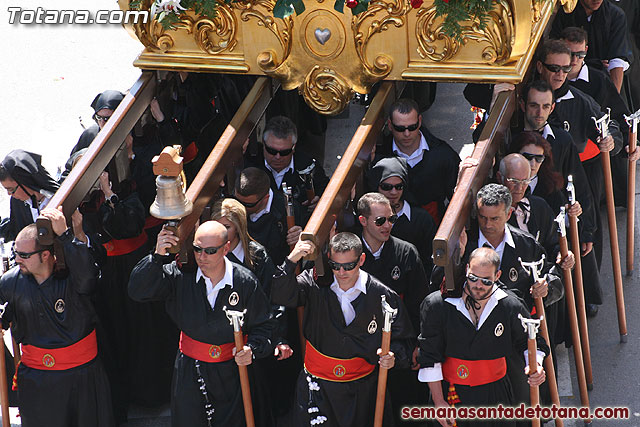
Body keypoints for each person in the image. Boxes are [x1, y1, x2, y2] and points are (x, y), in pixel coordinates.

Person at [129, 221, 273, 427]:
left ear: (226, 248)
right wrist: (157, 255)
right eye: (197, 249)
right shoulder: (179, 275)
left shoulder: (245, 281)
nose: (202, 257)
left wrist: (252, 349)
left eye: (210, 251)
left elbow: (265, 326)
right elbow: (137, 290)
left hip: (232, 371)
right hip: (190, 370)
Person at [271, 232, 414, 426]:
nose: (341, 272)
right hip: (318, 386)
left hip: (362, 391)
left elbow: (404, 340)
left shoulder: (382, 295)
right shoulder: (314, 283)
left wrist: (392, 356)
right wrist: (292, 259)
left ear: (361, 259)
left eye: (349, 265)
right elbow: (280, 295)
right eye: (335, 266)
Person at [0, 208, 114, 427]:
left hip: (81, 378)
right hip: (37, 380)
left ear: (45, 255)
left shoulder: (73, 277)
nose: (17, 259)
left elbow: (89, 277)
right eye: (15, 253)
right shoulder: (10, 282)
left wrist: (66, 235)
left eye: (24, 255)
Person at [418, 247, 549, 427]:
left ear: (497, 276)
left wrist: (535, 365)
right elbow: (429, 356)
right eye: (473, 278)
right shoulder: (437, 305)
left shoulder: (510, 305)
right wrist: (439, 401)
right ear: (466, 271)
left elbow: (532, 341)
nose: (478, 285)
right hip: (452, 392)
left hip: (496, 394)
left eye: (486, 281)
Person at [210, 198, 296, 421]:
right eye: (217, 226)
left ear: (239, 226)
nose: (222, 232)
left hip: (253, 343)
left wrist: (277, 338)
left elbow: (273, 299)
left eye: (226, 227)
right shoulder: (207, 257)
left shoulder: (257, 256)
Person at [509, 132, 603, 318]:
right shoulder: (507, 190)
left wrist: (573, 216)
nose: (533, 164)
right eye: (527, 157)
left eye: (539, 159)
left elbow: (559, 229)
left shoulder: (551, 186)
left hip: (545, 257)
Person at [376, 98, 460, 223]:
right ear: (390, 125)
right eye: (400, 128)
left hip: (432, 224)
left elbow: (456, 196)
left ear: (419, 121)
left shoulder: (443, 154)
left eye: (412, 127)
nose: (406, 134)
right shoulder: (380, 156)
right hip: (391, 227)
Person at [245, 116, 329, 215]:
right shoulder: (249, 165)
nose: (277, 157)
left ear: (294, 147)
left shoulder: (308, 165)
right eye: (272, 151)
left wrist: (321, 201)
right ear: (263, 144)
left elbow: (326, 188)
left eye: (284, 152)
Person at [551, 0, 632, 93]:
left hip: (603, 84)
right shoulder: (564, 12)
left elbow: (617, 60)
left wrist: (612, 98)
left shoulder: (615, 15)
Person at [234, 167, 302, 265]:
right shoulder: (230, 204)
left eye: (248, 205)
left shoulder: (288, 210)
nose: (240, 207)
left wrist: (299, 236)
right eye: (237, 201)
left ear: (266, 198)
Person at [0, 150, 59, 242]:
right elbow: (15, 230)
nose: (10, 194)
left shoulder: (58, 199)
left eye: (11, 189)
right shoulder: (18, 202)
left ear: (25, 182)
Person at [70, 90, 125, 156]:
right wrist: (84, 154)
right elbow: (70, 162)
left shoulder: (133, 134)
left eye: (107, 119)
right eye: (99, 117)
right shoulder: (90, 134)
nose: (102, 123)